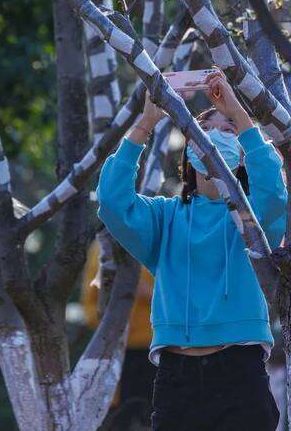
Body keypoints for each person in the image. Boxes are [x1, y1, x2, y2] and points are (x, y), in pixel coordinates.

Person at [97, 67, 287, 431]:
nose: (216, 138)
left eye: (227, 130)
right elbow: (111, 201)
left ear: (243, 152)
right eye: (205, 131)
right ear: (189, 149)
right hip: (176, 376)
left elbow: (274, 191)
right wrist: (145, 122)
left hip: (240, 371)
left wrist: (239, 113)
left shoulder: (252, 217)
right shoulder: (165, 218)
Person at [81, 238, 156, 430]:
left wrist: (150, 294)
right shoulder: (102, 247)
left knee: (155, 412)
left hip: (157, 349)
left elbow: (185, 299)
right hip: (116, 350)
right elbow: (89, 305)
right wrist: (109, 325)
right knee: (118, 415)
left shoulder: (160, 240)